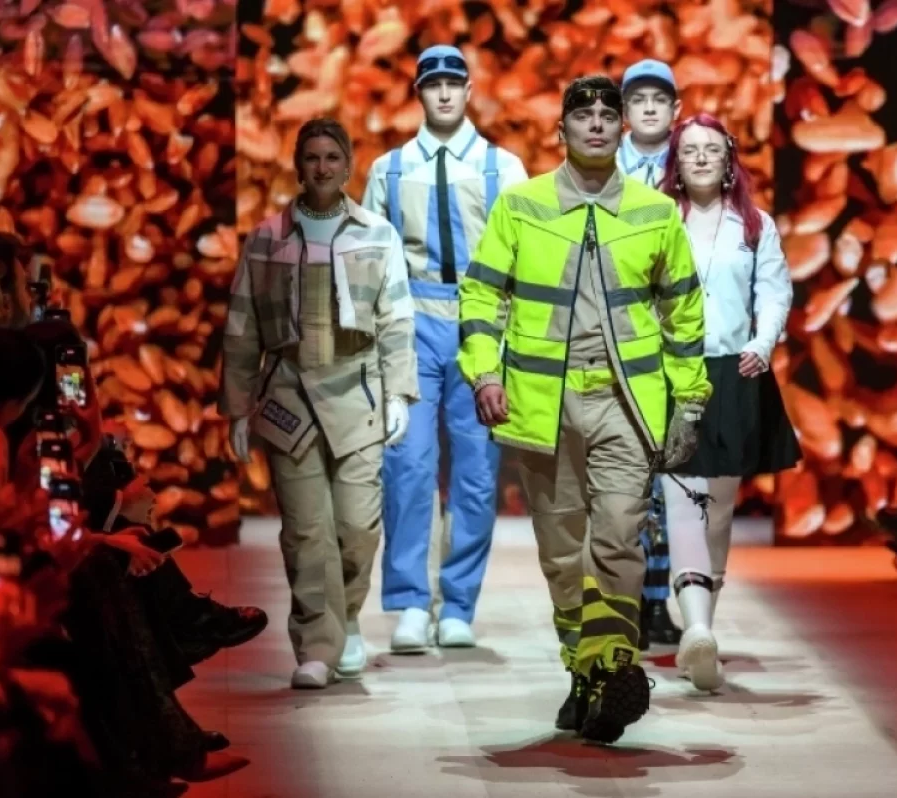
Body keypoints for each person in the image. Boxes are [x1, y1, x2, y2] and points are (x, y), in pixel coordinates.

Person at [458, 75, 710, 743]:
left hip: (627, 402)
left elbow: (684, 311)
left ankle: (613, 664)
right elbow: (482, 294)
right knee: (563, 554)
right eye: (582, 114)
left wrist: (689, 400)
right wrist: (484, 372)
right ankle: (586, 673)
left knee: (619, 538)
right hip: (544, 402)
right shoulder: (522, 206)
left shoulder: (655, 212)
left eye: (607, 114)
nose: (596, 123)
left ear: (623, 128)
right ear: (561, 128)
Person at [222, 117, 418, 689]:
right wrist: (237, 407)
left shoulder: (377, 233)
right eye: (312, 157)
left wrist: (399, 392)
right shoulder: (267, 237)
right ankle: (316, 644)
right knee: (306, 530)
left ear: (349, 165)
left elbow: (396, 319)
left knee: (357, 525)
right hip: (288, 396)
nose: (323, 167)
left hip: (357, 392)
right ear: (298, 165)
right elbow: (242, 326)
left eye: (333, 156)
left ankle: (346, 618)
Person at [362, 45, 528, 652]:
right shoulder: (389, 169)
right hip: (411, 324)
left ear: (469, 90)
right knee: (407, 465)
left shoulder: (504, 168)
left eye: (454, 83)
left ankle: (458, 604)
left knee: (478, 472)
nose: (444, 93)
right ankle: (411, 602)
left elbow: (523, 257)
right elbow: (370, 259)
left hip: (484, 327)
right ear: (419, 93)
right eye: (433, 84)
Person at [656, 114, 797, 691]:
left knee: (718, 508)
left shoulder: (756, 225)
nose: (700, 158)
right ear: (676, 162)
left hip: (735, 372)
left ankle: (701, 629)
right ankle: (695, 628)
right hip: (674, 373)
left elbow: (775, 290)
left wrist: (763, 343)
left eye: (711, 149)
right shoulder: (657, 220)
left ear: (729, 158)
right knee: (683, 498)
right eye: (689, 149)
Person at [617, 58, 686, 648]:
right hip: (614, 337)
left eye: (657, 99)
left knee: (668, 479)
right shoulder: (598, 167)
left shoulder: (693, 166)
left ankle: (657, 601)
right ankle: (620, 600)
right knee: (618, 478)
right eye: (636, 99)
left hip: (673, 340)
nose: (647, 108)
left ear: (674, 109)